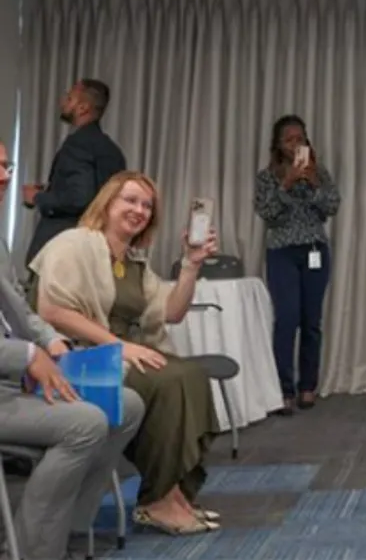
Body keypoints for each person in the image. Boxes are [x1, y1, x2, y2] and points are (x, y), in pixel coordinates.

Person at [28, 171, 223, 536]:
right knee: (169, 380)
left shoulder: (134, 261)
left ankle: (171, 491)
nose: (139, 210)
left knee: (190, 375)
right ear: (107, 203)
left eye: (147, 205)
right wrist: (119, 346)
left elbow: (172, 312)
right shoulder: (73, 243)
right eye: (130, 200)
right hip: (78, 357)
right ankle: (157, 500)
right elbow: (52, 311)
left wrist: (191, 264)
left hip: (120, 353)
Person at [0, 138, 145, 560]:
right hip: (9, 381)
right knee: (84, 423)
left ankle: (67, 528)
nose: (6, 175)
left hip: (16, 380)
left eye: (8, 166)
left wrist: (49, 341)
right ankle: (29, 550)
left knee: (126, 405)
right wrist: (27, 357)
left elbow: (20, 314)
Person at [253, 115, 341, 414]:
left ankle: (307, 387)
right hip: (283, 252)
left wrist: (314, 183)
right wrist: (287, 183)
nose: (295, 144)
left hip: (315, 250)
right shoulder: (267, 177)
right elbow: (268, 214)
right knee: (287, 319)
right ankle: (283, 389)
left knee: (311, 321)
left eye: (300, 138)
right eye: (289, 140)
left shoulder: (319, 173)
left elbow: (331, 207)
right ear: (278, 145)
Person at [23, 78, 127, 266]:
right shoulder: (113, 151)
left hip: (62, 249)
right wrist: (52, 190)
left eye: (69, 98)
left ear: (82, 108)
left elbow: (78, 199)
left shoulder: (77, 144)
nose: (63, 102)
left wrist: (37, 197)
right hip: (99, 251)